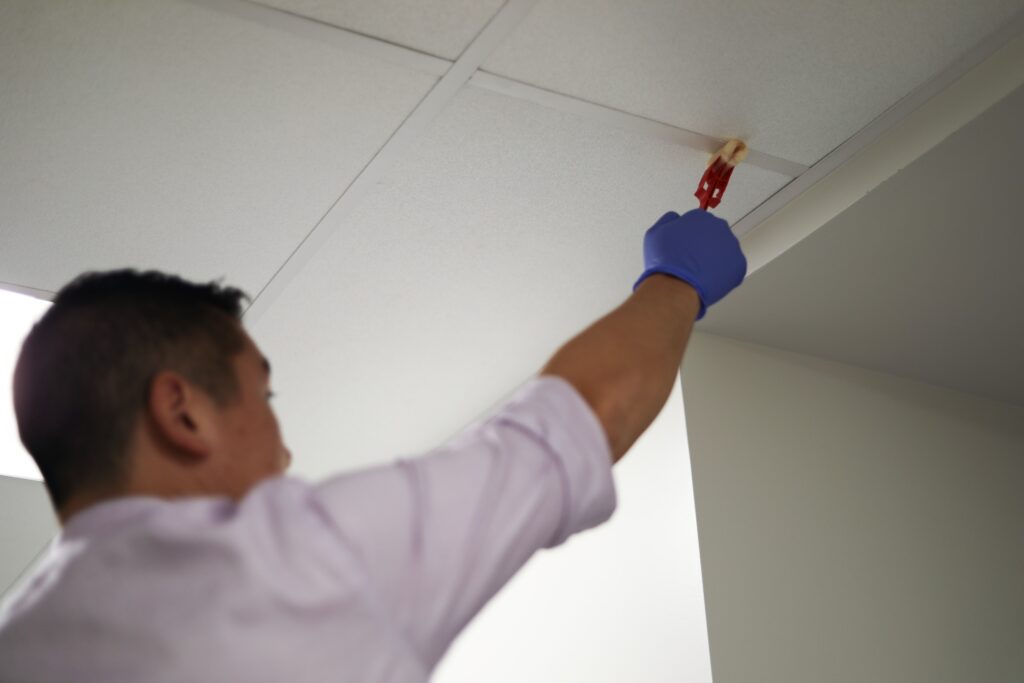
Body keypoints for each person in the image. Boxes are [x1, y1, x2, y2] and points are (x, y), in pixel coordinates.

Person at [0, 209, 745, 682]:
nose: (284, 455)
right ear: (181, 411)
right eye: (265, 398)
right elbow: (587, 416)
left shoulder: (20, 639)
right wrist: (676, 282)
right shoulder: (281, 562)